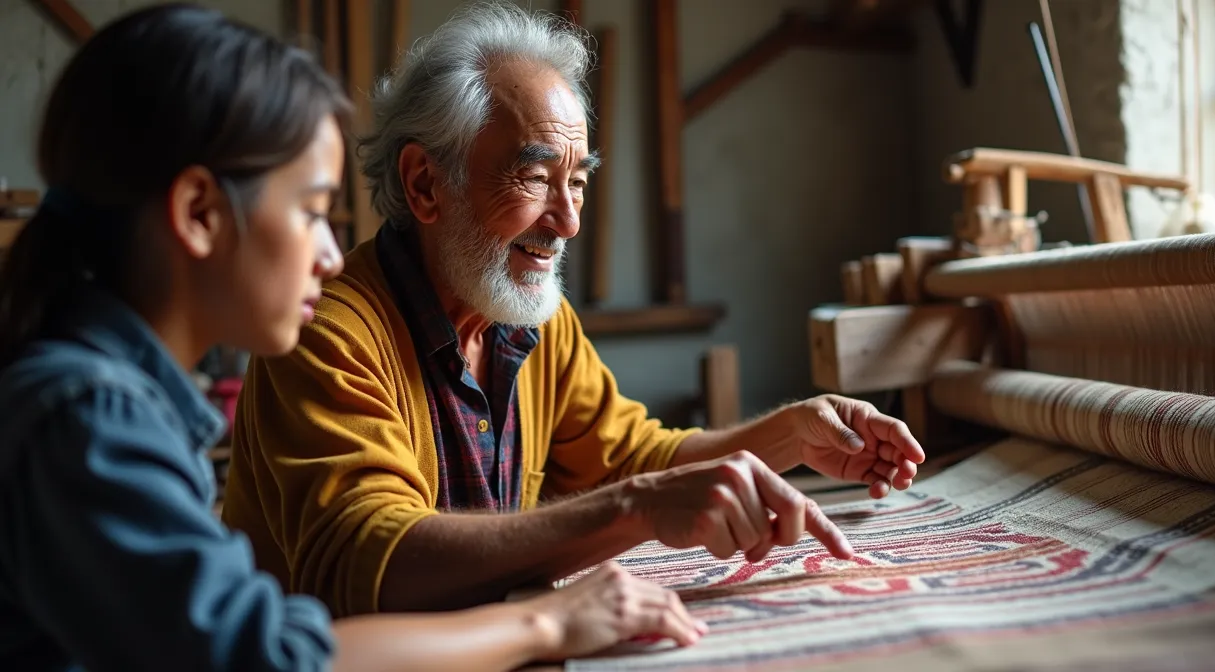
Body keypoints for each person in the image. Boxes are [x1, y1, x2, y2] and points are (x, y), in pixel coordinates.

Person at [0, 4, 706, 671]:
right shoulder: (90, 418)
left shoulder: (112, 402)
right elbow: (268, 656)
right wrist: (545, 625)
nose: (330, 255)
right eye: (311, 212)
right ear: (200, 214)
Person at [223, 0, 926, 618]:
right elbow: (372, 566)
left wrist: (790, 435)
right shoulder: (326, 332)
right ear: (425, 183)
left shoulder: (532, 319)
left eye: (578, 183)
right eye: (533, 177)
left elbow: (626, 460)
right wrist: (641, 507)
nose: (567, 223)